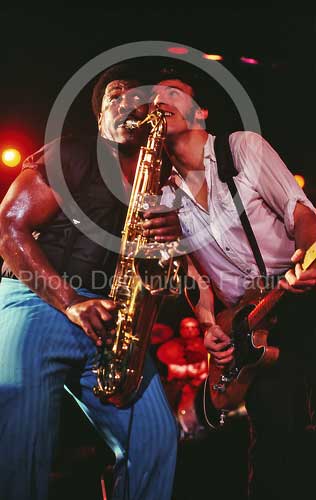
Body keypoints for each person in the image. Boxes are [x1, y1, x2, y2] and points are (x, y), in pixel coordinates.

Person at [0, 60, 181, 500]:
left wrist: (168, 242)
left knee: (157, 439)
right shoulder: (72, 151)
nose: (127, 103)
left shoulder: (159, 180)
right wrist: (70, 302)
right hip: (37, 299)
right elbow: (8, 228)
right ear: (100, 115)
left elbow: (165, 279)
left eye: (137, 97)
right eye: (115, 95)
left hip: (112, 319)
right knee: (23, 424)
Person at [151, 59, 316, 499]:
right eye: (154, 96)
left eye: (172, 91)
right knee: (274, 447)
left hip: (298, 300)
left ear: (200, 112)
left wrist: (304, 253)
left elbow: (300, 212)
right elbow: (192, 277)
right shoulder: (159, 193)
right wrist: (209, 327)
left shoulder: (242, 148)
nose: (159, 99)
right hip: (246, 325)